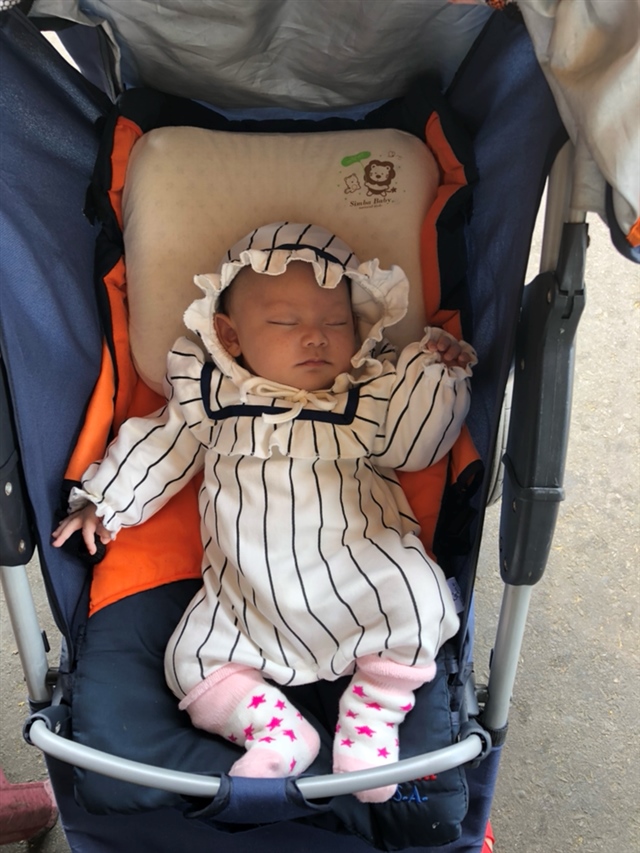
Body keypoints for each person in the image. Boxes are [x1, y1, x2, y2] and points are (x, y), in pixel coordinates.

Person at [53, 222, 476, 802]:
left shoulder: (368, 391)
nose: (316, 338)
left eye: (336, 323)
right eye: (284, 322)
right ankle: (275, 733)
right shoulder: (209, 395)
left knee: (422, 600)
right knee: (190, 663)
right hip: (245, 591)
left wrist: (435, 374)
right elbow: (158, 445)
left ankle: (372, 715)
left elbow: (416, 446)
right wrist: (106, 501)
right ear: (229, 336)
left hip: (363, 565)